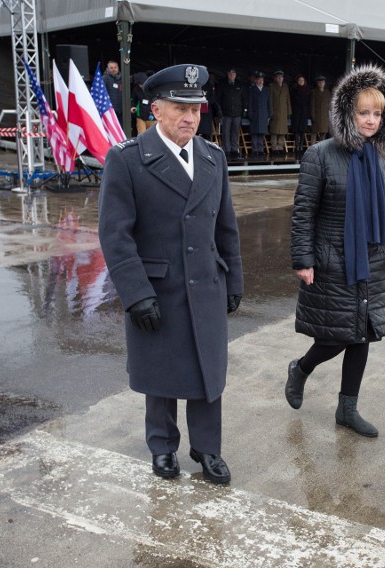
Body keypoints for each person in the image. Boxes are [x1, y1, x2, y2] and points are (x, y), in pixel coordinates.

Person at [98, 64, 243, 484]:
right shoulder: (127, 159)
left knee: (207, 372)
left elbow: (226, 229)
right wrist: (135, 293)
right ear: (155, 109)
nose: (190, 117)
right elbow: (115, 234)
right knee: (161, 374)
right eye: (181, 107)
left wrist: (234, 281)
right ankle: (162, 447)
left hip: (206, 283)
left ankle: (207, 448)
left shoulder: (213, 158)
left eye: (196, 108)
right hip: (157, 288)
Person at [287, 64, 385, 437]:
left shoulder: (383, 156)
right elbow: (304, 213)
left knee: (362, 334)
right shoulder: (320, 155)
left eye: (377, 113)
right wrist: (304, 260)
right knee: (336, 336)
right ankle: (300, 369)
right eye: (363, 112)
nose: (370, 120)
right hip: (333, 260)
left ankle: (347, 409)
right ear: (347, 113)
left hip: (372, 259)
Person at [218, 68, 248, 158]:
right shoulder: (223, 84)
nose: (231, 75)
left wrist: (244, 110)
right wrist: (219, 111)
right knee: (226, 132)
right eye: (230, 73)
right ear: (227, 74)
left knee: (235, 132)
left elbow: (244, 99)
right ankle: (226, 150)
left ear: (236, 75)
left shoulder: (240, 85)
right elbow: (218, 99)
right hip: (226, 113)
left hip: (237, 113)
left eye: (233, 73)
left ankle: (234, 149)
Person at [248, 71, 272, 157]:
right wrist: (250, 113)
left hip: (263, 114)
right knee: (255, 133)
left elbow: (269, 103)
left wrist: (270, 114)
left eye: (262, 80)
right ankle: (255, 149)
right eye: (258, 80)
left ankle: (261, 149)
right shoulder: (252, 89)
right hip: (255, 114)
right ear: (255, 80)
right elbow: (250, 102)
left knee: (262, 133)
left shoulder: (266, 90)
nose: (260, 81)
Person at [269, 70, 291, 156]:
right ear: (275, 78)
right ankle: (274, 148)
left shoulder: (285, 86)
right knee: (274, 131)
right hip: (275, 111)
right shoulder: (272, 86)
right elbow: (270, 100)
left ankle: (280, 147)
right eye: (278, 77)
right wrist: (270, 112)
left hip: (283, 112)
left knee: (282, 131)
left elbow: (288, 99)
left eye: (281, 77)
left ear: (283, 78)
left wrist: (289, 111)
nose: (279, 78)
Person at [290, 74, 311, 155]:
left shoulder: (308, 90)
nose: (301, 82)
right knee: (296, 130)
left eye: (302, 80)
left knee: (302, 130)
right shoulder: (294, 89)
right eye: (299, 80)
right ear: (297, 81)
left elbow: (309, 102)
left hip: (304, 112)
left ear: (304, 81)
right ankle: (297, 146)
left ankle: (301, 145)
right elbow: (292, 101)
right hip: (296, 112)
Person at [310, 75, 331, 144]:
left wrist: (329, 115)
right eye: (319, 82)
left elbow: (329, 105)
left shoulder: (327, 92)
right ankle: (312, 148)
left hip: (324, 116)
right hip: (317, 115)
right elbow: (312, 105)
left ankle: (321, 148)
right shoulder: (314, 92)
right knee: (314, 133)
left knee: (323, 133)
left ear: (324, 83)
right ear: (317, 83)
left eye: (322, 82)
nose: (321, 84)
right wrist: (312, 116)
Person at [105, 60, 123, 125]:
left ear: (118, 68)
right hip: (110, 110)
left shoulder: (123, 78)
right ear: (108, 69)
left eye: (115, 67)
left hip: (122, 110)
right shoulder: (105, 78)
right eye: (111, 68)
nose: (113, 69)